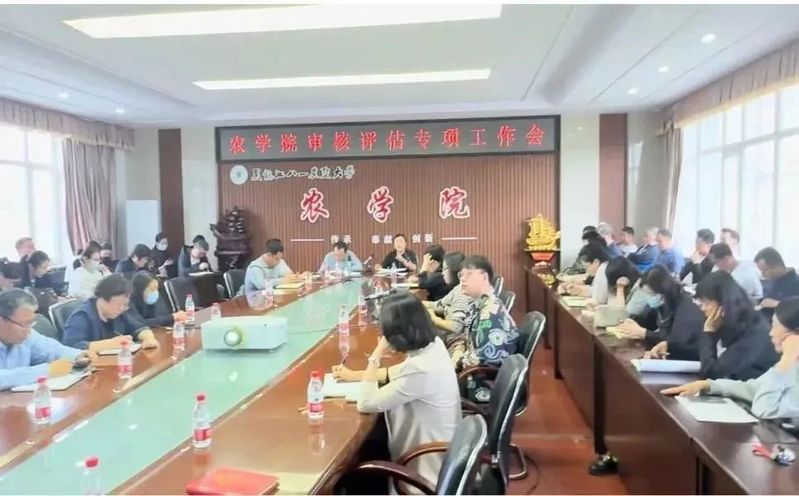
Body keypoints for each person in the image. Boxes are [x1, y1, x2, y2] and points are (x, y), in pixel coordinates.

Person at [332, 292, 461, 490]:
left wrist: (376, 355)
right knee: (372, 441)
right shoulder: (434, 346)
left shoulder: (420, 369)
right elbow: (396, 372)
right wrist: (354, 375)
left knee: (353, 473)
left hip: (423, 471)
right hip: (439, 447)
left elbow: (365, 403)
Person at [661, 297, 799, 419]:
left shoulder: (788, 362)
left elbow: (765, 410)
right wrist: (709, 386)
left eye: (775, 326)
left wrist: (785, 363)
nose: (771, 333)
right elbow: (754, 389)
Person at [690, 271, 777, 380]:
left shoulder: (753, 333)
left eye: (706, 303)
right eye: (700, 303)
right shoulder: (743, 322)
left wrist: (709, 333)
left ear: (723, 304)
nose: (703, 308)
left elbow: (711, 374)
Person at [0, 290, 91, 391]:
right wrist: (46, 370)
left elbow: (51, 349)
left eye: (31, 323)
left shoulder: (28, 334)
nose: (28, 330)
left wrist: (78, 355)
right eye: (24, 324)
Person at [616, 265, 704, 360]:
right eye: (646, 294)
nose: (649, 298)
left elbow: (675, 341)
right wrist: (632, 323)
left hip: (686, 357)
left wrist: (644, 333)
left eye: (651, 294)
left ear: (662, 291)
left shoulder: (686, 305)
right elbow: (647, 320)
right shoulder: (663, 301)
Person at [451, 256, 518, 369]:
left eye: (469, 274)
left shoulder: (491, 314)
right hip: (471, 364)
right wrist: (459, 349)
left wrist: (457, 362)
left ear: (484, 277)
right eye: (461, 275)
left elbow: (487, 359)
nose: (462, 279)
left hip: (483, 376)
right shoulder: (479, 303)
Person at [62, 275, 159, 352]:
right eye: (118, 304)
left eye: (125, 305)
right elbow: (70, 347)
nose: (121, 308)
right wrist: (109, 344)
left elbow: (138, 327)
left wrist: (148, 338)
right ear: (102, 298)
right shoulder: (82, 316)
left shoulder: (119, 312)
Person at [425, 252, 475, 349]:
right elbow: (438, 305)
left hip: (457, 343)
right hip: (450, 338)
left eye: (444, 269)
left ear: (454, 270)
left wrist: (434, 319)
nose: (442, 273)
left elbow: (456, 327)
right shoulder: (456, 289)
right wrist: (417, 303)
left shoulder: (461, 293)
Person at [755, 247, 799, 320]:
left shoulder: (795, 283)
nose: (763, 275)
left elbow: (796, 309)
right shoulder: (771, 281)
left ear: (777, 266)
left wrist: (777, 304)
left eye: (765, 271)